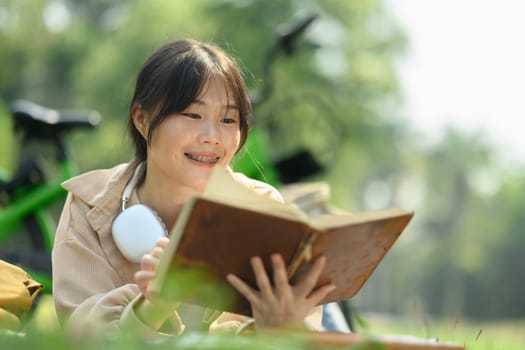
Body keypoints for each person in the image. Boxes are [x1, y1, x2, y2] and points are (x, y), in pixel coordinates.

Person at [52, 38, 335, 339]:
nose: (213, 136)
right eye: (193, 115)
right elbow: (79, 340)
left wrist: (277, 326)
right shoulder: (90, 204)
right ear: (142, 119)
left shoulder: (263, 209)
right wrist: (154, 307)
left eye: (228, 119)